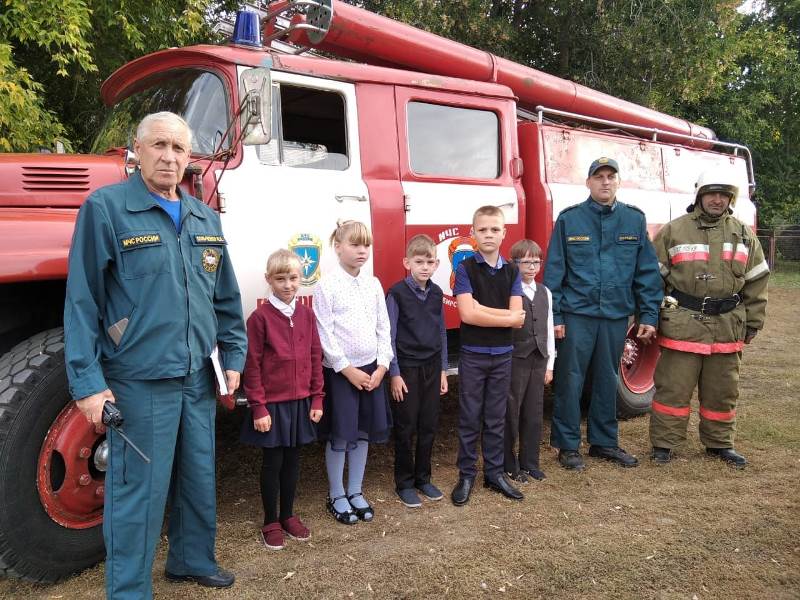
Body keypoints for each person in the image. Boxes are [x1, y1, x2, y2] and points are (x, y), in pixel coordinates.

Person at [64, 111, 247, 598]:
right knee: (137, 493)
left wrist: (233, 355)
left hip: (197, 377)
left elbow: (225, 297)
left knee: (198, 475)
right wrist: (86, 382)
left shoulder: (205, 216)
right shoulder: (106, 209)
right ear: (137, 151)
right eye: (159, 145)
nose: (169, 156)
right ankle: (128, 590)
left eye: (179, 149)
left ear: (190, 159)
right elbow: (82, 303)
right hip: (139, 380)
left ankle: (190, 559)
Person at [543, 157, 662, 471]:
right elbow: (554, 273)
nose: (605, 182)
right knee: (570, 380)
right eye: (599, 177)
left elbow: (646, 273)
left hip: (614, 316)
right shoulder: (569, 220)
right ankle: (568, 446)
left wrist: (649, 315)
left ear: (618, 182)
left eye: (611, 176)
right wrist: (554, 317)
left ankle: (604, 442)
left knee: (608, 380)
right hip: (576, 315)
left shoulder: (634, 220)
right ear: (588, 183)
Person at [649, 169, 769, 467]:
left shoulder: (744, 234)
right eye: (711, 193)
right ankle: (665, 443)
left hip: (728, 325)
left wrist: (753, 321)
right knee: (673, 387)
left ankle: (719, 443)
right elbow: (652, 278)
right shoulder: (674, 231)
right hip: (683, 322)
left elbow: (757, 280)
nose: (717, 199)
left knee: (723, 390)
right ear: (699, 196)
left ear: (731, 198)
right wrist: (649, 317)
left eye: (723, 194)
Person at [240, 249, 324, 550]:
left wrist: (317, 399)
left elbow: (316, 355)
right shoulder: (259, 318)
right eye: (280, 279)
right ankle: (270, 520)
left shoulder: (306, 314)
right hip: (272, 405)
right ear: (268, 280)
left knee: (293, 461)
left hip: (300, 401)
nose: (288, 285)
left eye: (293, 278)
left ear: (301, 279)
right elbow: (252, 364)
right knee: (272, 462)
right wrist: (258, 406)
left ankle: (288, 515)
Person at [312, 220, 393, 524]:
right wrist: (347, 370)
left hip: (372, 371)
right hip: (342, 373)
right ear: (337, 247)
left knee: (362, 434)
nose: (362, 251)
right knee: (341, 435)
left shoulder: (373, 284)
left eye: (366, 245)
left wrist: (383, 364)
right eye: (354, 245)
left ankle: (356, 490)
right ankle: (336, 494)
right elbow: (324, 333)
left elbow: (383, 326)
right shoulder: (326, 285)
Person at [451, 205, 527, 506]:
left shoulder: (511, 271)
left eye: (495, 229)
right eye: (482, 229)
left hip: (503, 355)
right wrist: (505, 317)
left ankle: (494, 473)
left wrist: (486, 311)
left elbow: (518, 315)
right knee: (470, 416)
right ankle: (466, 474)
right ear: (473, 233)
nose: (489, 234)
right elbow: (468, 315)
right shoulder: (465, 268)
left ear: (504, 233)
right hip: (473, 354)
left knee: (496, 417)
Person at [386, 234, 449, 508]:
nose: (424, 267)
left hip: (433, 367)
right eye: (419, 261)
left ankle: (424, 478)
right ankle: (405, 482)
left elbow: (442, 332)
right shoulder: (397, 293)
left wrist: (444, 369)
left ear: (436, 265)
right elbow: (389, 335)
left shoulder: (436, 293)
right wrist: (394, 373)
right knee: (406, 426)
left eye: (430, 262)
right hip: (407, 369)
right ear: (407, 262)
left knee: (428, 425)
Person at [504, 239, 555, 483]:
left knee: (534, 412)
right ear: (514, 264)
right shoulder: (510, 292)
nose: (532, 267)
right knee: (511, 411)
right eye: (526, 262)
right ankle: (509, 463)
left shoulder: (545, 292)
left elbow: (547, 327)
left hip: (539, 358)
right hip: (516, 358)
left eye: (536, 262)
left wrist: (550, 364)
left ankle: (530, 462)